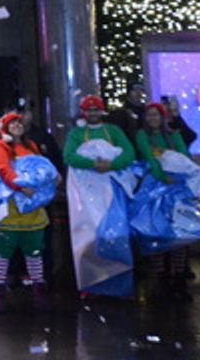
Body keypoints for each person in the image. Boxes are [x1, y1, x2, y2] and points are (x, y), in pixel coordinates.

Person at [63, 94, 137, 297]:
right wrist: (93, 164)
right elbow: (69, 156)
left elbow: (129, 153)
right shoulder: (76, 133)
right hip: (86, 196)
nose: (93, 113)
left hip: (111, 193)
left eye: (96, 109)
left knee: (116, 235)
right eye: (89, 110)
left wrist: (111, 165)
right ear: (83, 112)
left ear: (101, 111)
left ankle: (119, 286)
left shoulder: (114, 131)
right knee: (88, 237)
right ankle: (90, 285)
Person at [0, 113, 53, 313]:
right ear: (4, 128)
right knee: (2, 252)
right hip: (10, 208)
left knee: (34, 251)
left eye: (18, 122)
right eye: (11, 123)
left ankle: (38, 292)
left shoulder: (32, 145)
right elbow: (3, 169)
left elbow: (43, 168)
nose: (16, 125)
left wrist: (53, 177)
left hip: (33, 207)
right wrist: (20, 185)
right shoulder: (0, 146)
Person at [133, 103, 193, 299]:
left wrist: (178, 175)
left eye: (156, 114)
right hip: (154, 188)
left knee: (179, 234)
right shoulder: (143, 135)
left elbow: (185, 156)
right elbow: (149, 158)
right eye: (149, 115)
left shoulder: (174, 135)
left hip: (176, 186)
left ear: (162, 117)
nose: (153, 118)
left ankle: (179, 279)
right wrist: (161, 175)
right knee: (156, 233)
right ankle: (162, 279)